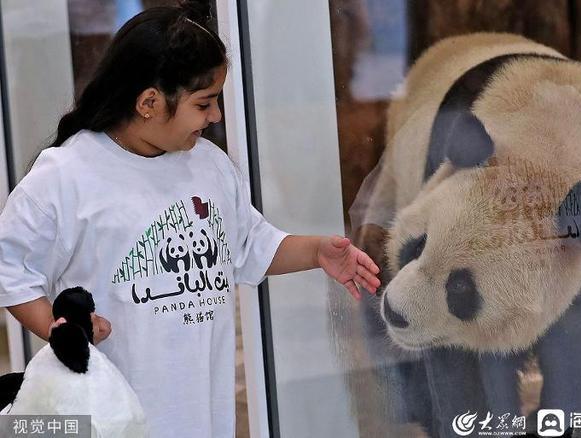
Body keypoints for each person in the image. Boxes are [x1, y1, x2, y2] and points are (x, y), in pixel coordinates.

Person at [0, 2, 380, 437]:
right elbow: (11, 270)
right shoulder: (66, 176)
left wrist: (316, 252)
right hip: (114, 419)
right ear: (149, 102)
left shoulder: (209, 165)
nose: (216, 116)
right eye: (204, 103)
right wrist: (62, 332)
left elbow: (248, 245)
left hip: (203, 417)